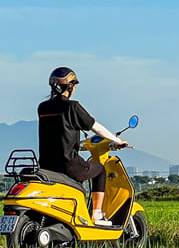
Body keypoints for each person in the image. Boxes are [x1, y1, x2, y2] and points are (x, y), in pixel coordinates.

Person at [37, 67, 129, 227]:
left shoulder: (43, 108)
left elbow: (61, 134)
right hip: (68, 165)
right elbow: (95, 127)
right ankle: (97, 215)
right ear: (70, 86)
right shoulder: (72, 107)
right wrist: (117, 140)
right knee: (99, 169)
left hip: (46, 165)